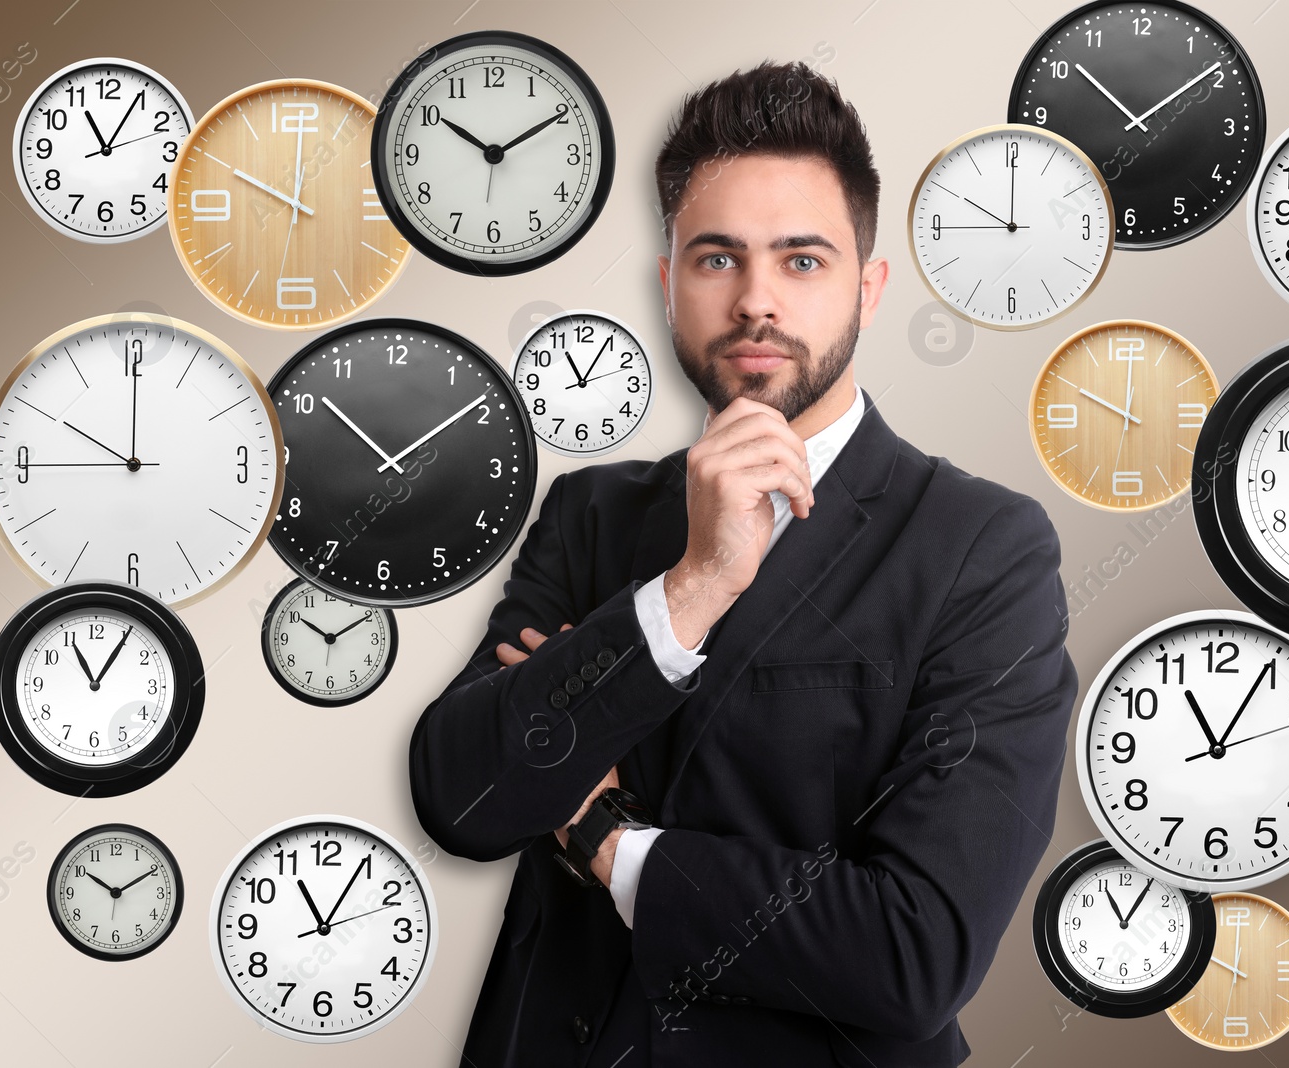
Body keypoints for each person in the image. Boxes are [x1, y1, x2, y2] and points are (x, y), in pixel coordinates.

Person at [408, 58, 1078, 1068]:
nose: (755, 301)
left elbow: (913, 953)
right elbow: (465, 801)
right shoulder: (592, 512)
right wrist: (690, 591)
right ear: (669, 282)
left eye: (801, 261)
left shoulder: (980, 549)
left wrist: (608, 842)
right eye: (716, 259)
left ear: (868, 285)